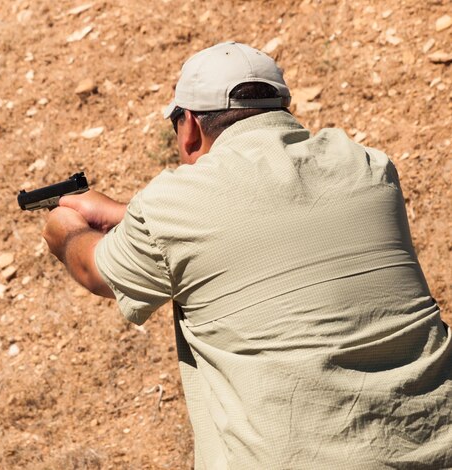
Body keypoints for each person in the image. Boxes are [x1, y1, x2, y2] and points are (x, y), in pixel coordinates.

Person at [42, 42, 452, 468]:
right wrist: (130, 216)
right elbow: (274, 224)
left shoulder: (174, 205)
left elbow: (93, 269)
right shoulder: (367, 167)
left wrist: (64, 226)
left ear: (189, 129)